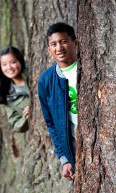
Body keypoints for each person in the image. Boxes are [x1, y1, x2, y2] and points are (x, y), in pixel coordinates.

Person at [38, 22, 78, 180]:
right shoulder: (46, 81)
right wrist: (65, 159)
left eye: (64, 41)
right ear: (49, 50)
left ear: (75, 42)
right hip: (75, 149)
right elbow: (51, 124)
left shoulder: (89, 67)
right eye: (53, 44)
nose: (59, 48)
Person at [0, 46, 30, 133]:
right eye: (4, 64)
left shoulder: (33, 72)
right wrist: (25, 117)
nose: (9, 67)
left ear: (20, 61)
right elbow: (15, 125)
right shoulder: (8, 95)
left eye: (13, 62)